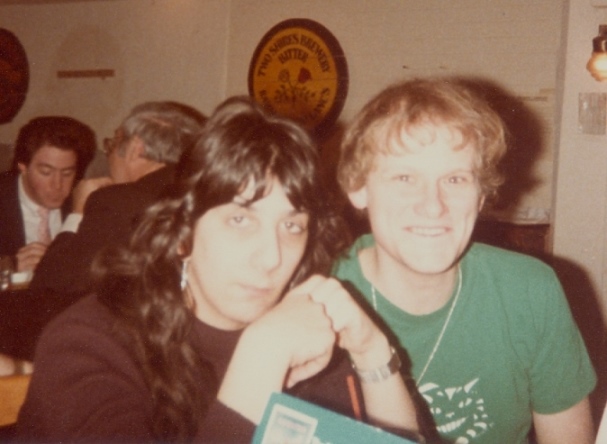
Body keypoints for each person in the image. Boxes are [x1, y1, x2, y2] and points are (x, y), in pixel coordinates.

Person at [16, 97, 421, 442]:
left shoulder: (304, 331)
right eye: (240, 220)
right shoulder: (90, 340)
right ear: (182, 234)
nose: (272, 257)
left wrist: (372, 353)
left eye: (292, 226)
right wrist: (262, 356)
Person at [332, 78, 597, 443]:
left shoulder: (530, 293)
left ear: (482, 195)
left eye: (455, 179)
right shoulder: (319, 290)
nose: (432, 206)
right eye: (405, 177)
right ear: (358, 188)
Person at [29, 101, 206, 296]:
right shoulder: (201, 192)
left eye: (111, 145)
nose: (109, 157)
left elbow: (49, 283)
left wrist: (78, 211)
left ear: (135, 149)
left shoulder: (116, 200)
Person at [0, 116, 96, 272]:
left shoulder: (85, 201)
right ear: (23, 166)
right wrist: (8, 267)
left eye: (67, 173)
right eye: (46, 172)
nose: (57, 185)